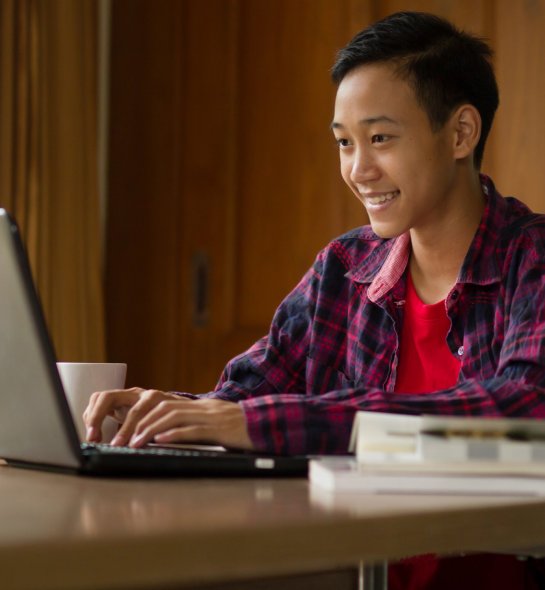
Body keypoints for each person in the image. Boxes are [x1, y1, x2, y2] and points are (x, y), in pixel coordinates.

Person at [85, 11, 545, 590]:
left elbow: (524, 419)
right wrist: (162, 417)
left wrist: (258, 422)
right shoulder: (345, 268)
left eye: (380, 138)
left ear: (460, 133)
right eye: (344, 143)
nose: (358, 170)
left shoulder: (532, 260)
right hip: (350, 574)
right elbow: (244, 399)